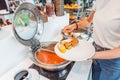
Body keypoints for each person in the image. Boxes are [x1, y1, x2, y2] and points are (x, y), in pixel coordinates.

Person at [62, 0, 120, 80]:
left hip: (112, 60)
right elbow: (88, 20)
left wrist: (90, 55)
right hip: (95, 50)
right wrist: (75, 26)